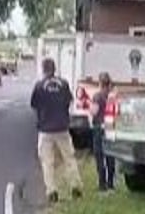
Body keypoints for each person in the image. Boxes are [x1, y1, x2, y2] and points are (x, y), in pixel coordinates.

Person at [31, 58, 82, 203]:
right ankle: (75, 186)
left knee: (47, 161)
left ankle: (52, 190)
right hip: (62, 127)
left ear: (43, 69)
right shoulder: (64, 84)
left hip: (45, 129)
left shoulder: (39, 86)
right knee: (69, 158)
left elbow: (34, 105)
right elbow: (68, 102)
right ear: (55, 69)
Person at [90, 72, 116, 192]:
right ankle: (111, 183)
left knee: (99, 155)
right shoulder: (112, 97)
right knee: (110, 155)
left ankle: (102, 184)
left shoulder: (97, 96)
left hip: (99, 128)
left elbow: (94, 112)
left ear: (100, 83)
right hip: (110, 127)